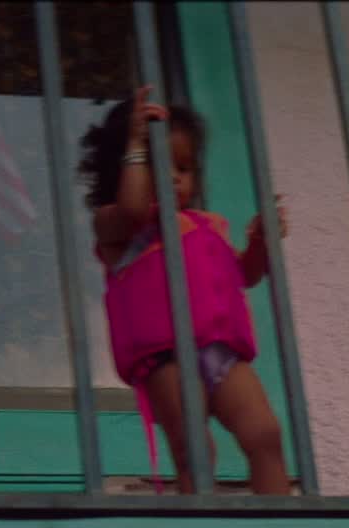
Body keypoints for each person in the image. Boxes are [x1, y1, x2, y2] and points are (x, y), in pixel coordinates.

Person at [78, 85, 291, 495]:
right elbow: (134, 210)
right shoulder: (116, 223)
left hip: (220, 351)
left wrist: (261, 243)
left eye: (184, 167)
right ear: (123, 168)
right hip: (167, 359)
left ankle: (282, 523)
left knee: (264, 434)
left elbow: (244, 275)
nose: (174, 176)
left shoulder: (207, 224)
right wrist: (136, 143)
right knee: (194, 449)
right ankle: (204, 523)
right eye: (156, 164)